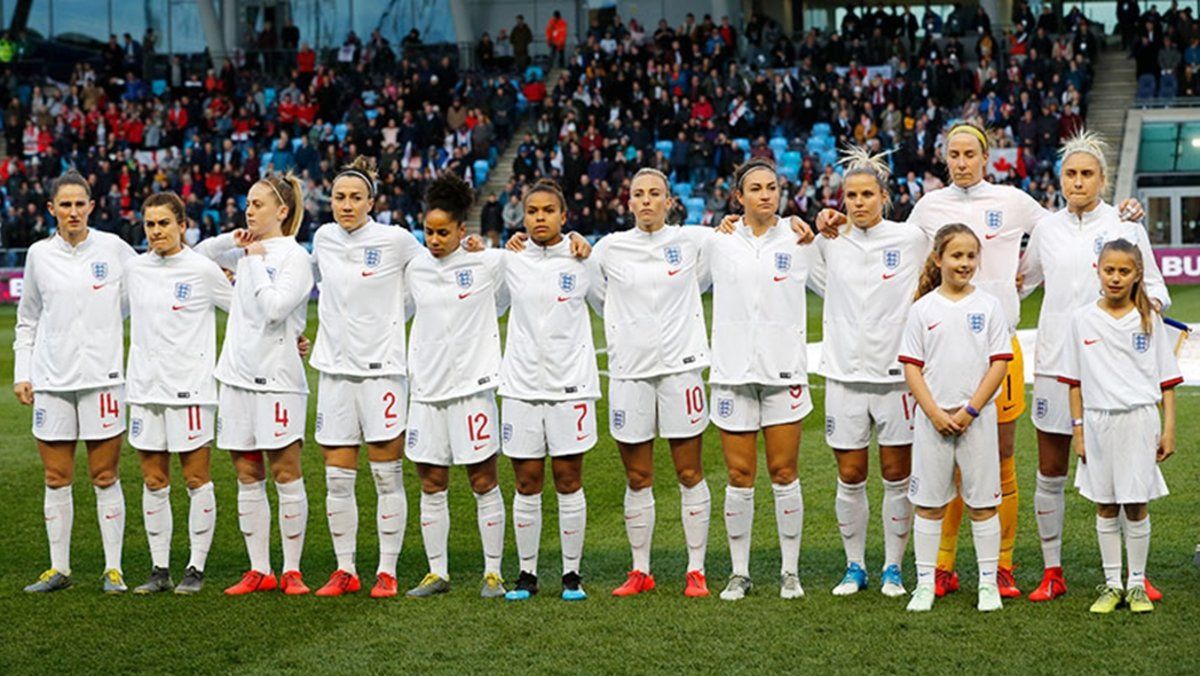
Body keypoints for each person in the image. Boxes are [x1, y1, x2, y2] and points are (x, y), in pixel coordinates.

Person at [819, 121, 1144, 598]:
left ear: (986, 156)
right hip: (942, 347)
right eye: (954, 155)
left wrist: (1123, 213)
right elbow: (891, 245)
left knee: (1002, 459)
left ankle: (1004, 566)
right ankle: (944, 566)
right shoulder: (928, 207)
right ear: (945, 158)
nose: (962, 162)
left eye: (970, 154)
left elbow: (1062, 228)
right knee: (944, 463)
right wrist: (836, 222)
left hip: (998, 349)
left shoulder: (1014, 201)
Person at [1016, 131, 1170, 602]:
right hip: (1054, 365)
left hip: (1114, 379)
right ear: (1060, 179)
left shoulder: (1126, 228)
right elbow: (1018, 285)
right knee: (1050, 471)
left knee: (1128, 476)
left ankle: (1135, 577)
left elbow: (1158, 293)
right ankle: (1052, 571)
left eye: (1087, 174)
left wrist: (1144, 308)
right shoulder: (1046, 229)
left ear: (1103, 178)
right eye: (1070, 174)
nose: (1078, 182)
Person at [586, 168, 715, 598]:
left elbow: (722, 264)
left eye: (654, 194)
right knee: (637, 476)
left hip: (681, 370)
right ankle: (641, 569)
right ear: (628, 202)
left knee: (689, 471)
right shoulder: (608, 248)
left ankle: (695, 569)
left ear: (668, 201)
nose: (646, 201)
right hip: (629, 372)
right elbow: (597, 296)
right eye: (638, 194)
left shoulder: (694, 241)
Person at [814, 147, 929, 598]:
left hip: (896, 379)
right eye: (850, 195)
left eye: (867, 194)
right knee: (850, 474)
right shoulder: (828, 239)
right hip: (843, 376)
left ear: (884, 196)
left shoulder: (911, 239)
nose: (858, 202)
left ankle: (893, 568)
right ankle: (855, 564)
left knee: (897, 475)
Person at [308, 157, 425, 599]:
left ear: (372, 202)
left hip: (383, 374)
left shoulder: (395, 240)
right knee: (337, 479)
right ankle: (345, 570)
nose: (346, 205)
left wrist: (396, 318)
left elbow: (428, 274)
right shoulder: (323, 238)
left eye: (356, 198)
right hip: (336, 372)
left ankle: (388, 571)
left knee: (385, 476)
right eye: (339, 197)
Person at [17, 171, 137, 594]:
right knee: (56, 477)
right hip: (51, 380)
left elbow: (151, 284)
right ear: (51, 209)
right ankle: (59, 569)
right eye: (64, 205)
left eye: (79, 204)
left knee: (105, 475)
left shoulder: (114, 249)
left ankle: (114, 570)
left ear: (91, 206)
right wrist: (22, 373)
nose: (72, 212)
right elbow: (28, 318)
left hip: (103, 380)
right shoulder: (38, 254)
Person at [196, 173, 315, 596]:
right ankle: (259, 568)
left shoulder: (295, 258)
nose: (250, 210)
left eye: (259, 204)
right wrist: (233, 240)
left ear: (282, 211)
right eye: (247, 203)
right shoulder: (245, 251)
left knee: (286, 473)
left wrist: (257, 261)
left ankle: (293, 570)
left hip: (278, 381)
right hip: (236, 378)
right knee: (247, 473)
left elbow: (275, 309)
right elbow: (196, 257)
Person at [708, 159, 816, 601]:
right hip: (732, 373)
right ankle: (740, 572)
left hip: (783, 371)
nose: (766, 195)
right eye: (755, 188)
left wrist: (825, 218)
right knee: (739, 474)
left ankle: (790, 571)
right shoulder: (717, 242)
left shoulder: (799, 237)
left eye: (772, 187)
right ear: (739, 197)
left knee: (784, 471)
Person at [403, 172, 509, 599]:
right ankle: (437, 572)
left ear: (462, 231)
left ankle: (493, 573)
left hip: (472, 388)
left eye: (443, 232)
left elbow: (513, 291)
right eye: (428, 231)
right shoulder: (414, 268)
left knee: (483, 481)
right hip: (426, 391)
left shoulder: (486, 263)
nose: (434, 239)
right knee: (431, 483)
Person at [1060, 240, 1180, 614]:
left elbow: (1166, 381)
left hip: (1139, 419)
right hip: (1097, 422)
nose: (1115, 277)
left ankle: (1137, 583)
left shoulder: (1149, 320)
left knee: (1136, 504)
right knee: (1106, 504)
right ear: (1097, 269)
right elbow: (1074, 382)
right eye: (1109, 270)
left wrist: (1169, 429)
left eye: (1123, 271)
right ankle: (1112, 585)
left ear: (1137, 275)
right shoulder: (1082, 319)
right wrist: (1078, 430)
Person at [898, 224, 1012, 613]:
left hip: (977, 420)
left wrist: (970, 410)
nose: (964, 263)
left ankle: (986, 584)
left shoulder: (989, 306)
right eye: (956, 255)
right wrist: (933, 412)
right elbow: (912, 368)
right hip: (932, 422)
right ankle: (925, 583)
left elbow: (999, 364)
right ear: (938, 259)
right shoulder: (922, 309)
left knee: (983, 503)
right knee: (929, 504)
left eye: (970, 256)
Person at [125, 192, 232, 595]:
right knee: (153, 480)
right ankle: (159, 569)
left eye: (164, 223)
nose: (156, 231)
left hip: (190, 389)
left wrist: (294, 337)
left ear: (182, 225)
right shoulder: (135, 269)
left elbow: (243, 310)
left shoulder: (202, 270)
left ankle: (196, 567)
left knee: (196, 478)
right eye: (150, 224)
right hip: (145, 389)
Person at [499, 179, 597, 601]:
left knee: (568, 479)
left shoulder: (583, 259)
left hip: (570, 386)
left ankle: (571, 575)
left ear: (564, 216)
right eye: (532, 211)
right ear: (523, 218)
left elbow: (617, 301)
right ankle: (526, 574)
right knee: (526, 482)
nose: (540, 218)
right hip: (520, 386)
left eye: (547, 211)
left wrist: (584, 245)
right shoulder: (509, 261)